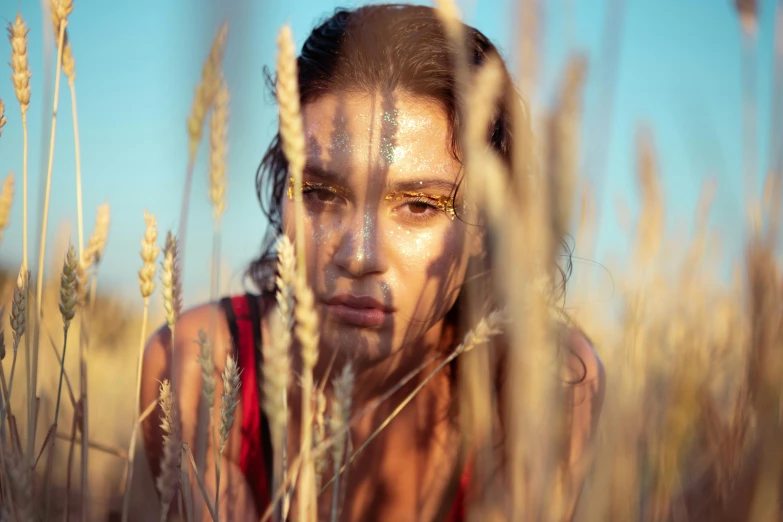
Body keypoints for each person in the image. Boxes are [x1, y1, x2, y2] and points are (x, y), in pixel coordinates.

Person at [141, 4, 605, 521]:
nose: (360, 256)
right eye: (320, 192)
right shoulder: (199, 366)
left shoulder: (543, 384)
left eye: (420, 205)